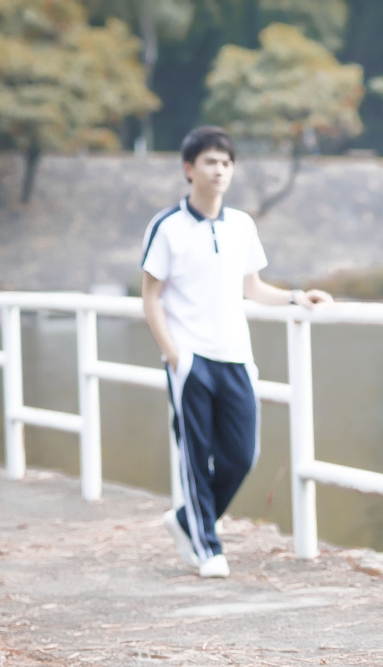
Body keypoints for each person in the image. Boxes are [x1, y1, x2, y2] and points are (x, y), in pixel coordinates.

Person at [140, 126, 333, 578]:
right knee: (196, 453)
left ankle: (190, 520)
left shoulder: (242, 225)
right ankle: (207, 546)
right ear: (189, 169)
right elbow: (151, 296)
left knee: (242, 455)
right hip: (190, 358)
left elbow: (253, 288)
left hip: (235, 357)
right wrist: (173, 354)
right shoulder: (167, 226)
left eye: (227, 163)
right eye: (210, 161)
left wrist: (296, 297)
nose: (220, 170)